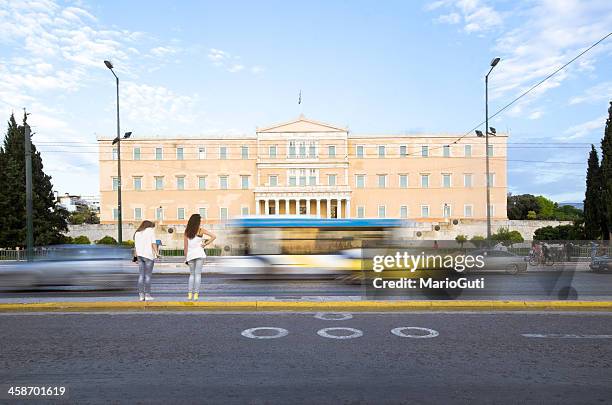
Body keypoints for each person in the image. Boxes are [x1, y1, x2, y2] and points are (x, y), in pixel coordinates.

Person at [184, 214, 216, 301]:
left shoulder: (187, 231)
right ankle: (196, 295)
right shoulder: (201, 230)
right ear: (198, 221)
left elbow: (185, 246)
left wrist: (186, 257)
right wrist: (205, 244)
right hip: (199, 254)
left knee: (191, 275)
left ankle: (189, 294)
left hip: (190, 255)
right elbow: (214, 236)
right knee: (198, 275)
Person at [134, 220, 159, 301]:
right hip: (148, 255)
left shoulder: (137, 232)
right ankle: (147, 295)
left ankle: (141, 295)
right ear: (149, 225)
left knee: (141, 276)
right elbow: (153, 243)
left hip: (140, 256)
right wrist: (157, 253)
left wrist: (135, 257)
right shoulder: (150, 231)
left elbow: (135, 246)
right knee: (148, 276)